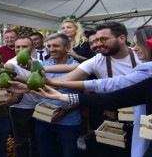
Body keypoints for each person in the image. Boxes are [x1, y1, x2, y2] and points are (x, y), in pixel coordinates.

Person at [12, 25, 152, 157]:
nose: (97, 44)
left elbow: (110, 86)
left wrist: (60, 91)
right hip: (115, 118)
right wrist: (28, 86)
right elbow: (81, 77)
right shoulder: (98, 59)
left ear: (121, 39)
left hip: (140, 116)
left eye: (102, 39)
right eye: (95, 40)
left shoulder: (141, 58)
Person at [37, 33, 81, 157]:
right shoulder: (42, 66)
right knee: (45, 153)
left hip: (69, 121)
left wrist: (65, 110)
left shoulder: (79, 68)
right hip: (43, 119)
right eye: (49, 46)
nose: (51, 49)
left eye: (56, 45)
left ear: (67, 48)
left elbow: (85, 96)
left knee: (69, 153)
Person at [4, 36, 40, 157]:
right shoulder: (11, 63)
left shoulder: (37, 62)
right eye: (17, 47)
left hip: (38, 107)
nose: (20, 49)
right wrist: (6, 69)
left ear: (33, 47)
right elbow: (8, 68)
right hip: (20, 109)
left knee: (35, 140)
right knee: (20, 141)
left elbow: (43, 80)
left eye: (25, 46)